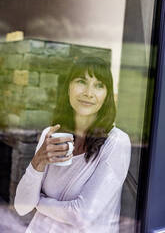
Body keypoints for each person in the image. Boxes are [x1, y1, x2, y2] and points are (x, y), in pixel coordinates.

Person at [14, 56, 131, 233]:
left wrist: (38, 201)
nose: (89, 93)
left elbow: (82, 215)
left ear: (107, 95)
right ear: (68, 87)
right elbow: (22, 207)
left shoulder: (116, 142)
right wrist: (38, 162)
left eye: (99, 85)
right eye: (81, 81)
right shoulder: (51, 134)